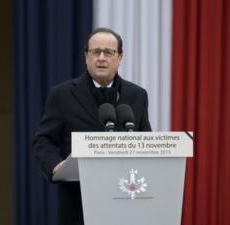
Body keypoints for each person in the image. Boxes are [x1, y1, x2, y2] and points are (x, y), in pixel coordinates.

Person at [31, 27, 152, 225]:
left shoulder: (137, 95)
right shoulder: (62, 95)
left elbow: (144, 139)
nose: (102, 58)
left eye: (109, 52)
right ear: (86, 56)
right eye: (96, 52)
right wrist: (56, 165)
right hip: (78, 204)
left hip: (125, 200)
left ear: (120, 57)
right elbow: (43, 140)